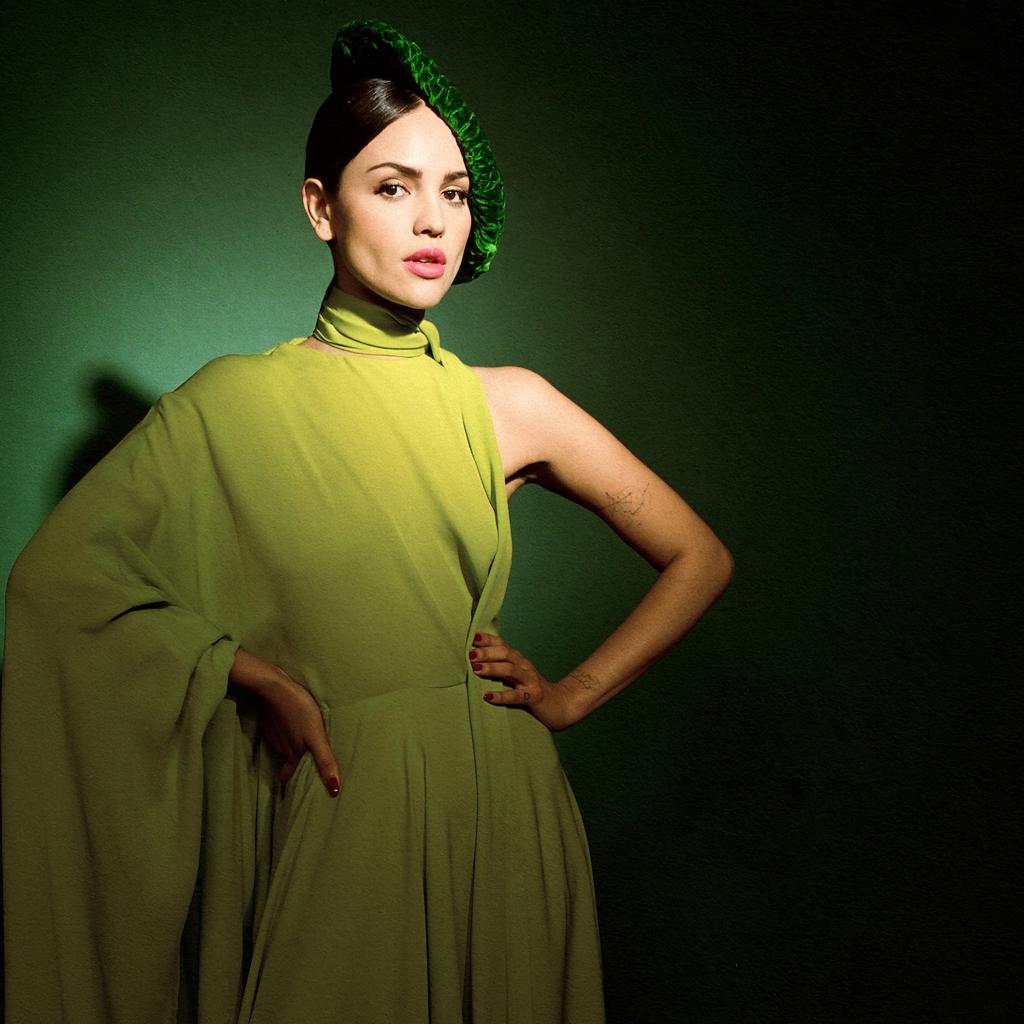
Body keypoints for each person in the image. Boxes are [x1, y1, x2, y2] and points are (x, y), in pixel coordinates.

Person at [1, 19, 733, 1024]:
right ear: (321, 207)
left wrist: (570, 697)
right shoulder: (231, 402)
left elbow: (698, 556)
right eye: (393, 187)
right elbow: (58, 588)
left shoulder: (509, 404)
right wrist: (247, 672)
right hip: (345, 802)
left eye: (455, 193)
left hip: (503, 808)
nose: (432, 220)